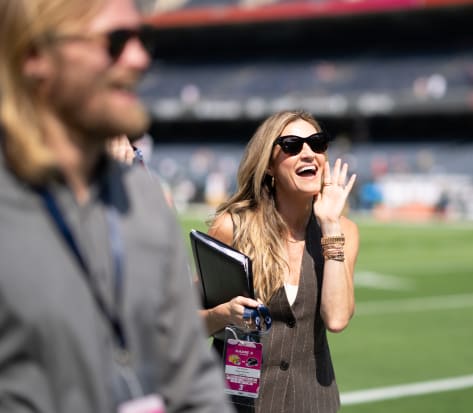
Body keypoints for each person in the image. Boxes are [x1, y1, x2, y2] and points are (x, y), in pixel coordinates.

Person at [0, 1, 233, 412]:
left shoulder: (143, 196)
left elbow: (193, 378)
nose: (140, 58)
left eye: (143, 39)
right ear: (35, 55)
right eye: (115, 41)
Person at [203, 110, 359, 412]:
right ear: (270, 164)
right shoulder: (231, 228)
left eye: (317, 143)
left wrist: (329, 225)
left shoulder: (344, 231)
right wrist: (223, 313)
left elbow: (337, 319)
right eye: (291, 145)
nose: (308, 153)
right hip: (236, 402)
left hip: (312, 401)